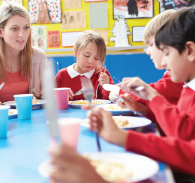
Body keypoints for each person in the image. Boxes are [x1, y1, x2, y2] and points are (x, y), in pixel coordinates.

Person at [49, 8, 195, 183]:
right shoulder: (188, 88)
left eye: (167, 53)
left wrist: (124, 137)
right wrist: (142, 108)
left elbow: (185, 137)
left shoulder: (185, 86)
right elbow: (186, 129)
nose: (163, 61)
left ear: (189, 51)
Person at [109, 9, 184, 123]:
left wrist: (121, 92)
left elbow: (159, 91)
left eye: (151, 44)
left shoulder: (180, 76)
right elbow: (171, 116)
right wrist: (143, 110)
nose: (148, 52)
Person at [55, 30, 114, 100]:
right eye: (87, 55)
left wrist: (107, 86)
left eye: (96, 58)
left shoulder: (102, 74)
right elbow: (50, 98)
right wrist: (60, 96)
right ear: (76, 51)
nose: (91, 61)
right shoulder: (62, 75)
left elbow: (112, 99)